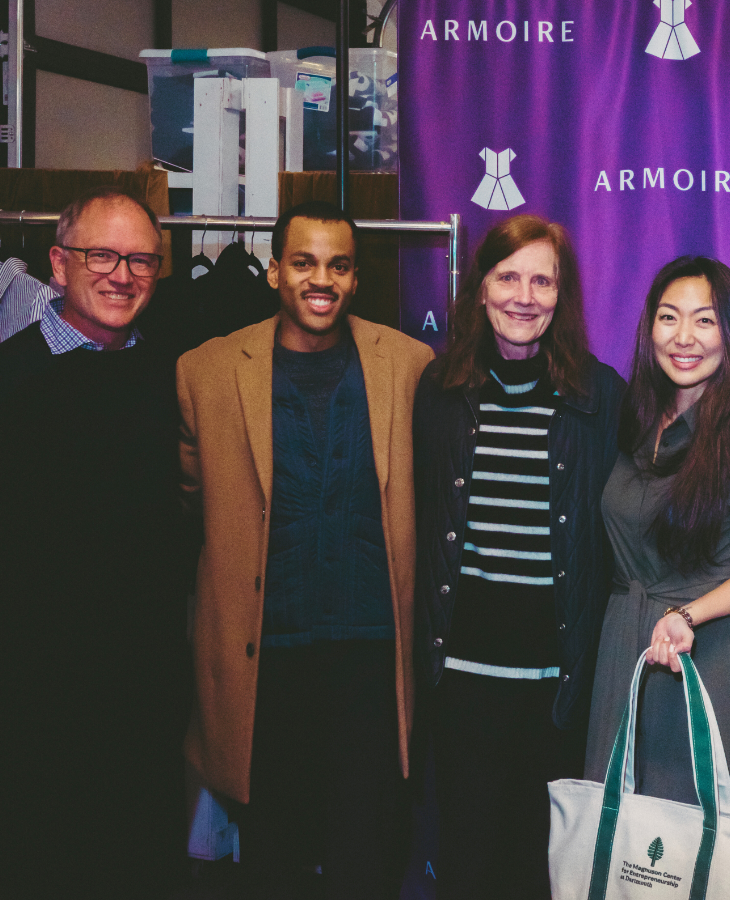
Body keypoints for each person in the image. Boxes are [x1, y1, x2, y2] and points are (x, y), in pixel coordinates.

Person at [0, 185, 192, 896]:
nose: (122, 274)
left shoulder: (176, 382)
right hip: (28, 709)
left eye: (141, 260)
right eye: (101, 254)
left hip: (142, 706)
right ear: (59, 264)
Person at [177, 200, 433, 899]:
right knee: (272, 865)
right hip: (265, 664)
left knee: (365, 861)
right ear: (273, 271)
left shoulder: (410, 367)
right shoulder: (206, 371)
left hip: (371, 665)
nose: (321, 279)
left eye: (339, 265)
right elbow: (184, 511)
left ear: (356, 279)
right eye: (304, 262)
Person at [415, 214, 625, 899]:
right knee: (467, 865)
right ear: (480, 289)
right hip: (462, 681)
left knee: (541, 873)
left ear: (562, 296)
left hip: (557, 689)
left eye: (543, 280)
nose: (524, 295)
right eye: (508, 276)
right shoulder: (439, 391)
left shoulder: (601, 397)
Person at [585, 255, 730, 822]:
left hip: (704, 655)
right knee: (620, 840)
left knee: (692, 840)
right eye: (668, 317)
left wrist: (687, 615)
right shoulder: (633, 421)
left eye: (704, 321)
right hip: (625, 648)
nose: (683, 338)